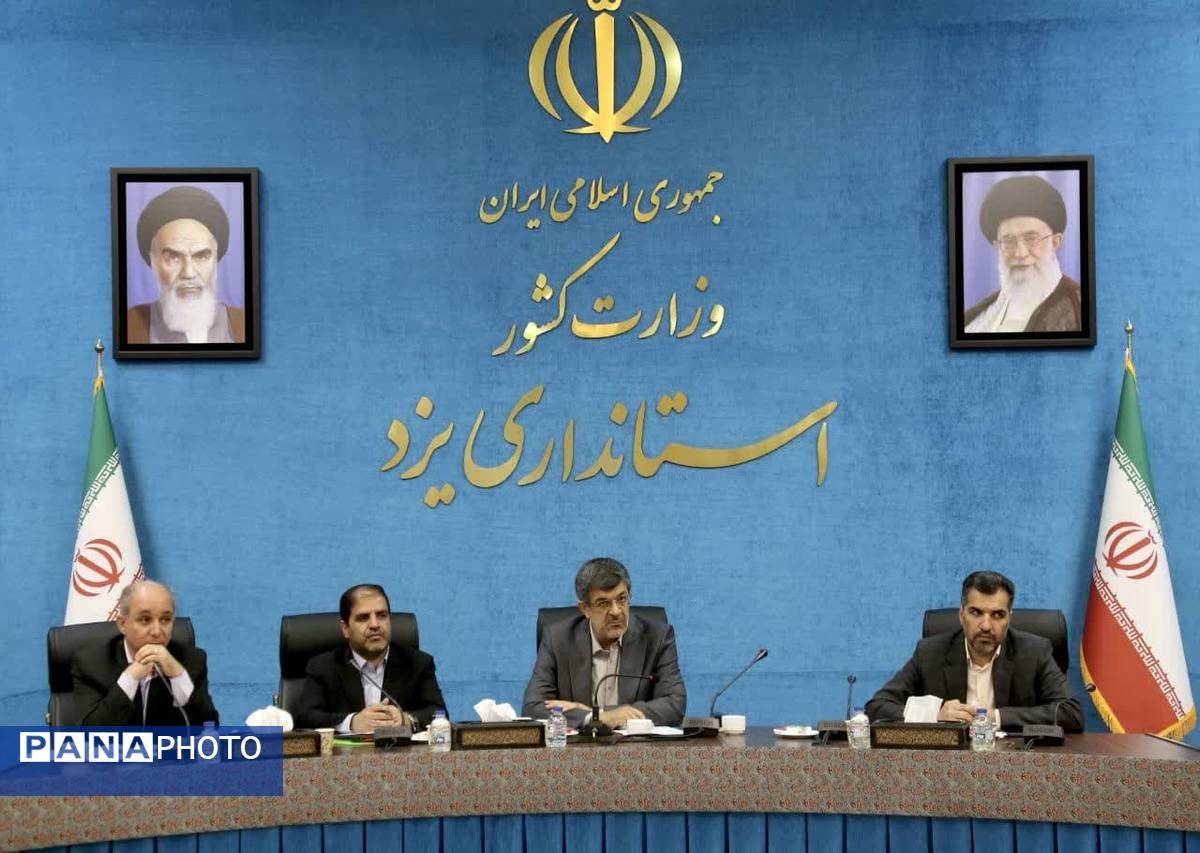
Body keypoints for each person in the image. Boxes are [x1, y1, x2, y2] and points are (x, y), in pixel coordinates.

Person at [865, 570, 1083, 731]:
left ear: (1009, 618)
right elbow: (877, 707)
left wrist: (995, 717)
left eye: (997, 615)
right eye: (976, 613)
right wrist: (934, 714)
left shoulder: (1034, 652)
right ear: (961, 615)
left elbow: (1070, 713)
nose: (986, 626)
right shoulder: (930, 652)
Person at [522, 557, 687, 728]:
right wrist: (597, 716)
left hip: (634, 744)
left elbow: (675, 704)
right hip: (579, 744)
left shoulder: (657, 637)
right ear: (585, 609)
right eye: (603, 603)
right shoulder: (558, 639)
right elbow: (532, 707)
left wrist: (599, 714)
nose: (616, 611)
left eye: (622, 599)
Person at [294, 584, 446, 732]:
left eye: (382, 616)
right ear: (345, 628)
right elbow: (305, 717)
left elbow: (439, 712)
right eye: (363, 618)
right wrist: (352, 723)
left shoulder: (418, 663)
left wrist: (406, 719)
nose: (374, 624)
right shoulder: (323, 667)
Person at [71, 580, 219, 726]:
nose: (157, 631)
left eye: (165, 619)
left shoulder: (192, 660)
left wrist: (178, 676)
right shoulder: (92, 664)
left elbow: (209, 727)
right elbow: (90, 732)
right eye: (145, 619)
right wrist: (130, 678)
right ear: (123, 624)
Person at [127, 185, 245, 344]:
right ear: (153, 262)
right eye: (173, 258)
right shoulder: (130, 325)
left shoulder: (244, 324)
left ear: (215, 260)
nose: (189, 273)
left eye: (201, 256)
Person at [964, 174, 1082, 333]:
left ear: (1055, 242)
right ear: (997, 247)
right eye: (1008, 241)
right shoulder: (977, 318)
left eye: (1031, 238)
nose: (1020, 253)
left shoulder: (1079, 307)